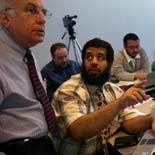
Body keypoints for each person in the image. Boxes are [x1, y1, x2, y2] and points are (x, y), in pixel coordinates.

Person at [52, 38, 155, 155]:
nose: (94, 62)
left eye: (100, 57)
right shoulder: (68, 90)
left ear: (109, 64)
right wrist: (120, 103)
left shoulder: (112, 89)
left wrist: (150, 120)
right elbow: (79, 131)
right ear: (83, 62)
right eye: (89, 57)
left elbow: (128, 121)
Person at [0, 0, 57, 155]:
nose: (42, 19)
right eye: (31, 11)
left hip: (42, 144)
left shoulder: (27, 54)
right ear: (5, 18)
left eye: (43, 12)